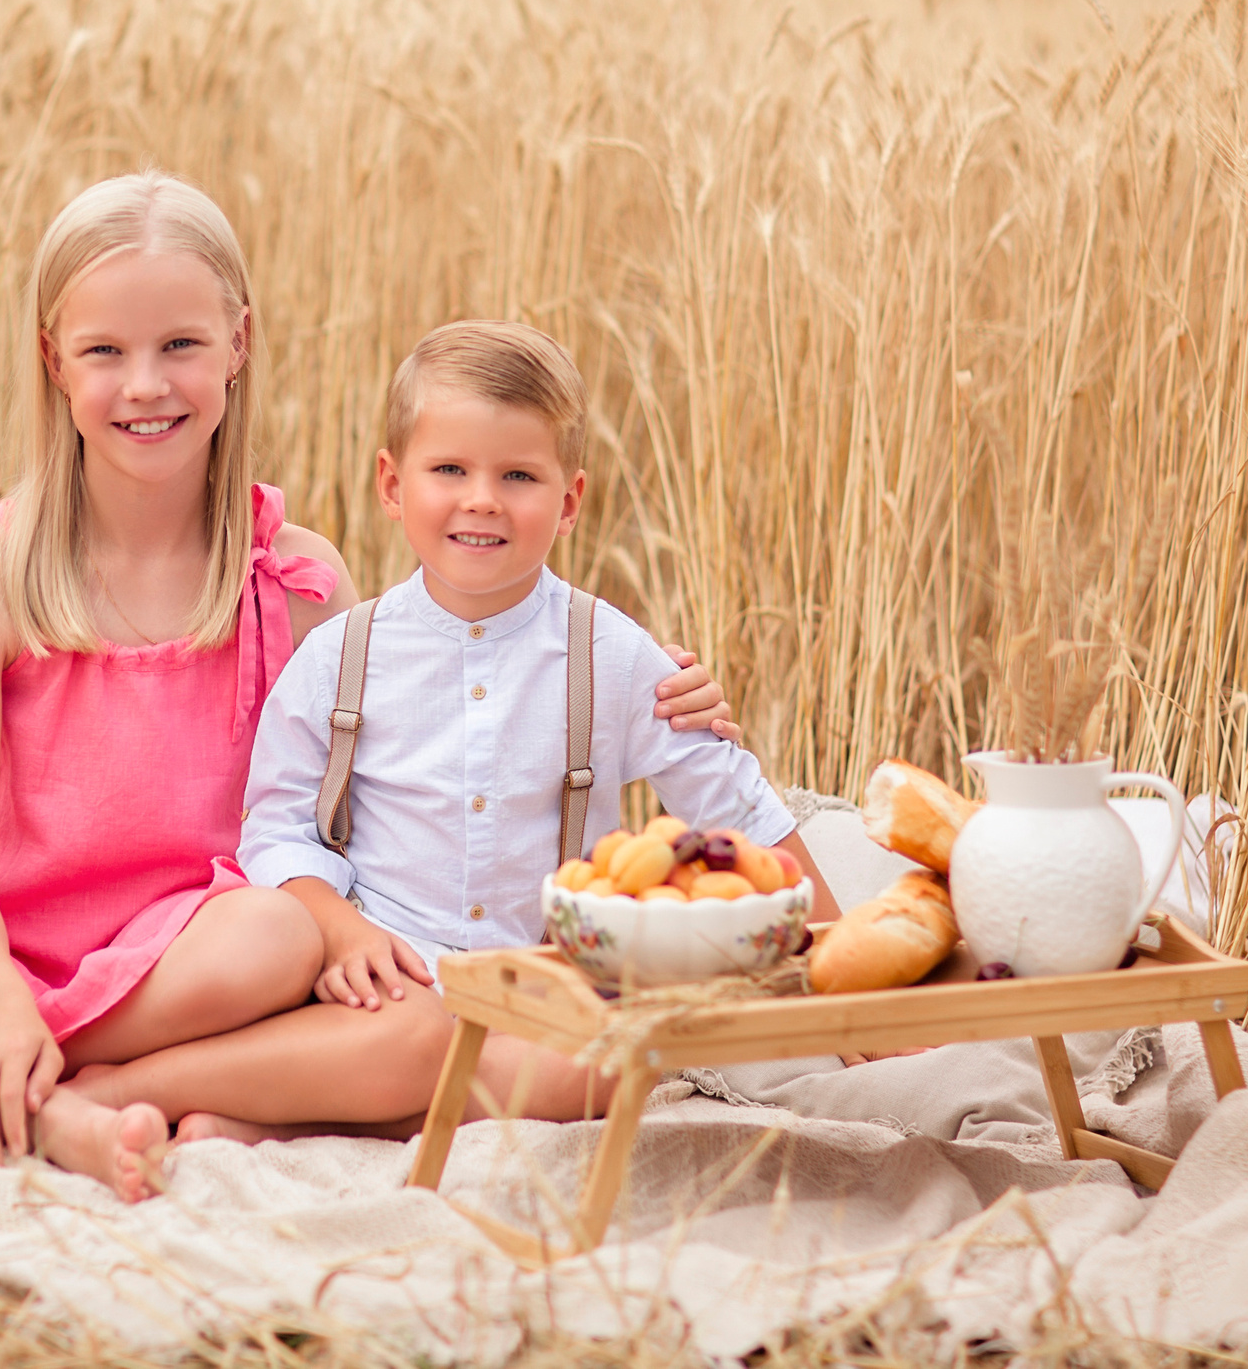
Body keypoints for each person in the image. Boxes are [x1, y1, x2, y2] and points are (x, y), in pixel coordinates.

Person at [0, 178, 740, 1200]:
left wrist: (655, 699)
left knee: (290, 936)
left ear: (239, 345)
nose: (145, 384)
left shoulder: (302, 585)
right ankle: (8, 1084)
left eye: (180, 344)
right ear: (53, 361)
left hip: (204, 969)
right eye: (105, 351)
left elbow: (389, 790)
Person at [68, 321, 840, 1143]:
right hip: (383, 973)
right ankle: (125, 1086)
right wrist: (342, 929)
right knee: (409, 1034)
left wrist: (840, 968)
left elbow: (738, 807)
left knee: (601, 1068)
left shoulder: (609, 654)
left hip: (536, 988)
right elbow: (278, 827)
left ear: (570, 500)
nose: (482, 498)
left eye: (518, 474)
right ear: (393, 486)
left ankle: (275, 1112)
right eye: (449, 470)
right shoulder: (341, 655)